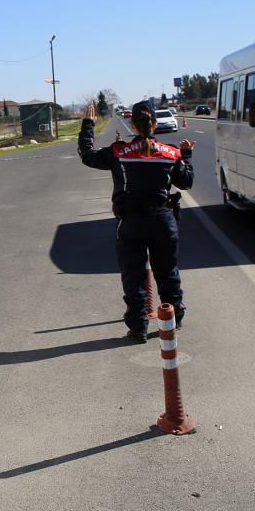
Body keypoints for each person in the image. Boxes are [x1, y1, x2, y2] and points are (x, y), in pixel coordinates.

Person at [79, 101, 194, 342]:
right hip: (163, 221)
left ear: (132, 124)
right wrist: (186, 155)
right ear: (154, 123)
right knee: (168, 273)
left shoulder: (118, 152)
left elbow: (87, 155)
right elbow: (186, 182)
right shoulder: (170, 152)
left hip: (131, 221)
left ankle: (139, 326)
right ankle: (174, 319)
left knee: (133, 276)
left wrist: (88, 125)